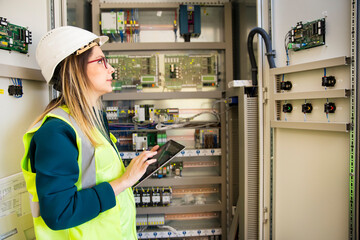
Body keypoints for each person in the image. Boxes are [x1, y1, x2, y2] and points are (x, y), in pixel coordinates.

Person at [20, 26, 159, 239]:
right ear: (74, 68)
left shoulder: (93, 121)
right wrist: (125, 181)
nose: (111, 69)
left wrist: (133, 172)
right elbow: (59, 214)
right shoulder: (56, 133)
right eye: (101, 61)